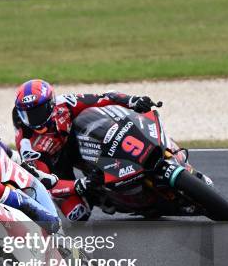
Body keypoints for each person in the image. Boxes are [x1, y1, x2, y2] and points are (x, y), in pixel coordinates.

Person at [12, 79, 157, 220]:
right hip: (57, 167)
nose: (33, 119)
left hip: (79, 142)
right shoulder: (28, 146)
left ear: (51, 104)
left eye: (38, 112)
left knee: (95, 115)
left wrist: (132, 101)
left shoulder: (64, 103)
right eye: (27, 114)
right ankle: (98, 196)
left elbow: (104, 97)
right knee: (78, 214)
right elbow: (42, 185)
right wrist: (80, 185)